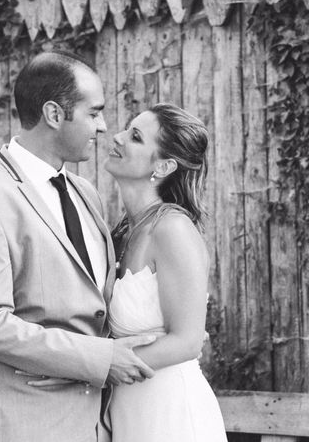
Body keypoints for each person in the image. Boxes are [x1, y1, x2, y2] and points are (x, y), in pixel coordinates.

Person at [0, 50, 156, 442]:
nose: (103, 126)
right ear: (54, 114)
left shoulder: (85, 192)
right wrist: (96, 359)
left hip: (98, 424)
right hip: (26, 424)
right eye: (94, 113)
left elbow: (93, 307)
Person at [103, 103, 227, 441]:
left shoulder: (172, 228)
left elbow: (187, 341)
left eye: (135, 136)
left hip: (171, 414)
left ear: (163, 166)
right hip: (129, 411)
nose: (117, 137)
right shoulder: (121, 231)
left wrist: (98, 367)